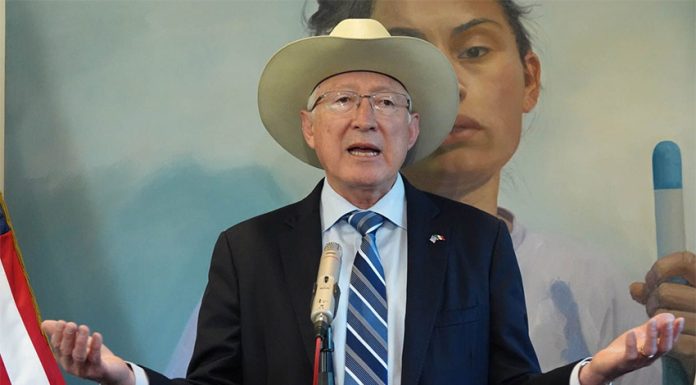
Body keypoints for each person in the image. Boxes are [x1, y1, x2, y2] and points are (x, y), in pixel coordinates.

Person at [42, 19, 682, 385]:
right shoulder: (249, 249)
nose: (365, 119)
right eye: (342, 100)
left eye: (386, 102)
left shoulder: (474, 243)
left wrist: (589, 373)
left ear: (411, 131)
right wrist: (121, 374)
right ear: (310, 128)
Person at [304, 1, 696, 384]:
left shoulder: (590, 284)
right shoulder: (295, 262)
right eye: (412, 58)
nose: (450, 85)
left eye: (474, 50)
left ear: (529, 79)